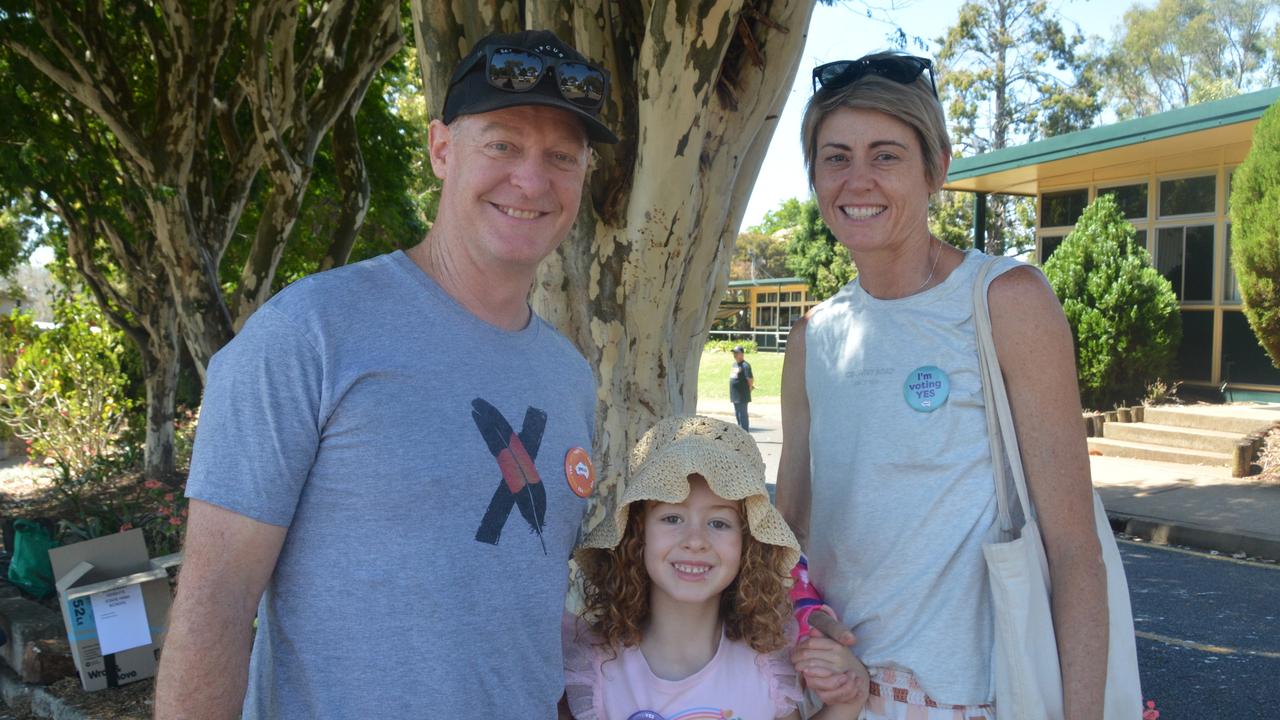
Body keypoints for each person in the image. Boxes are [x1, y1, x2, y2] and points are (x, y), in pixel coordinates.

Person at [155, 29, 619, 719]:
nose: (531, 179)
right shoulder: (310, 332)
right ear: (440, 149)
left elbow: (522, 614)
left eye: (562, 156)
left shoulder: (569, 375)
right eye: (502, 144)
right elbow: (215, 605)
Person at [775, 52, 1107, 720]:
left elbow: (1073, 546)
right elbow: (787, 538)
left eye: (886, 155)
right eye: (836, 157)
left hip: (974, 696)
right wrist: (801, 620)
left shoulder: (1002, 301)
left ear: (939, 168)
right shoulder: (814, 337)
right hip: (837, 697)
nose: (857, 179)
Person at [564, 415, 868, 720]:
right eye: (672, 518)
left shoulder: (768, 669)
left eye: (719, 523)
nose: (695, 541)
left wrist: (848, 700)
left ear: (748, 546)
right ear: (637, 535)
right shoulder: (593, 673)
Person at [729, 345, 754, 430]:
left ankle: (745, 432)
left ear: (742, 354)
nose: (734, 355)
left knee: (742, 414)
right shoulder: (734, 365)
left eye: (736, 353)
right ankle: (740, 431)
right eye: (734, 353)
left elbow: (750, 379)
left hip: (742, 394)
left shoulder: (745, 365)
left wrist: (750, 388)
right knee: (737, 413)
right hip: (735, 394)